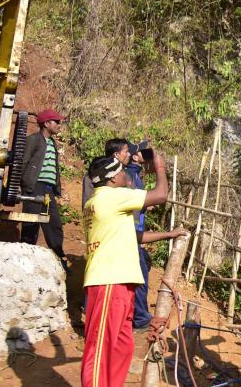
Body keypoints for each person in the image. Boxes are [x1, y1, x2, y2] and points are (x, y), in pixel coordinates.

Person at [81, 153, 186, 387]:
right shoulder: (111, 197)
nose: (124, 175)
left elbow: (134, 235)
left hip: (118, 280)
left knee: (121, 344)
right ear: (110, 179)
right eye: (120, 172)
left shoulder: (99, 202)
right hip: (110, 279)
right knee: (102, 347)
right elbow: (160, 195)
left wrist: (168, 234)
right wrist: (159, 166)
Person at [21, 109, 67, 270]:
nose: (59, 125)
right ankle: (25, 259)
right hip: (35, 187)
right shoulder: (33, 140)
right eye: (56, 122)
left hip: (48, 190)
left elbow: (54, 169)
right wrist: (25, 185)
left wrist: (57, 189)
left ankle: (59, 257)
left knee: (54, 224)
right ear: (46, 124)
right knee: (31, 223)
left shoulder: (52, 143)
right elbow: (23, 163)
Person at [125, 141, 154, 329]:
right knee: (140, 276)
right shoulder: (129, 175)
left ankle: (136, 314)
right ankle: (140, 317)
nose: (148, 155)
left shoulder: (135, 174)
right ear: (135, 156)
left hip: (135, 232)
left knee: (143, 268)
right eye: (144, 152)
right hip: (131, 233)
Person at [81, 138, 132, 206]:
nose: (129, 154)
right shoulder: (93, 174)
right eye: (126, 151)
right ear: (116, 154)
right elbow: (87, 204)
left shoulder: (126, 174)